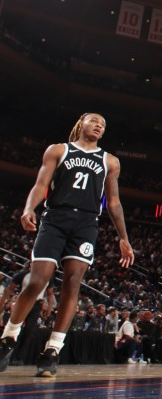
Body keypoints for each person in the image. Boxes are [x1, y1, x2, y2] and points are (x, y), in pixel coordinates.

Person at [0, 113, 134, 378]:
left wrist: (123, 237)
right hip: (55, 219)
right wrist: (30, 208)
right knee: (37, 281)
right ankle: (9, 337)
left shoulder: (110, 161)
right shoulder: (59, 150)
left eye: (104, 124)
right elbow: (41, 184)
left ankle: (52, 349)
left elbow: (114, 202)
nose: (99, 125)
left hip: (86, 224)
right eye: (94, 121)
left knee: (72, 282)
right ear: (81, 123)